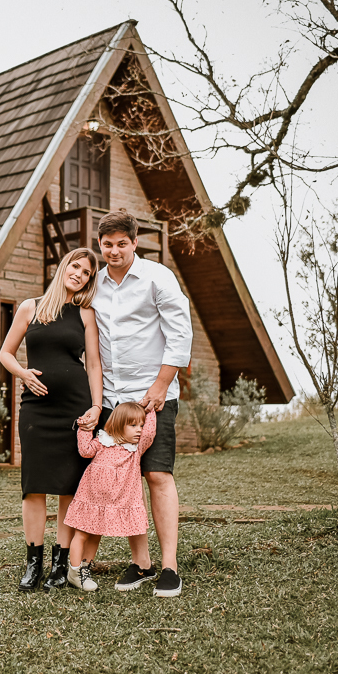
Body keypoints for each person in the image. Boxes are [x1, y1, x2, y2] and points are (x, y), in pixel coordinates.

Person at [92, 210, 192, 598]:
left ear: (135, 243)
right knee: (123, 480)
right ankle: (143, 564)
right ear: (100, 245)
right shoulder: (95, 285)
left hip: (153, 398)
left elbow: (180, 334)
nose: (114, 251)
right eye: (107, 245)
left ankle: (170, 567)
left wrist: (161, 385)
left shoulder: (158, 277)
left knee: (157, 475)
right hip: (112, 401)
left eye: (121, 244)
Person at [0, 248, 103, 592]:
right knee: (34, 486)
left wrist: (97, 406)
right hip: (36, 409)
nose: (79, 274)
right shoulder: (31, 307)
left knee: (67, 488)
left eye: (86, 272)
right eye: (76, 266)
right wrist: (23, 374)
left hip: (74, 408)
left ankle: (60, 564)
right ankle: (33, 563)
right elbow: (5, 353)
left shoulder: (85, 314)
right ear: (64, 267)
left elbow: (93, 365)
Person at [61, 403, 156, 591]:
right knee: (81, 534)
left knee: (96, 535)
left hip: (111, 502)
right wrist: (84, 428)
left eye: (141, 425)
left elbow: (150, 432)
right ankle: (74, 571)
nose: (139, 430)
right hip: (91, 497)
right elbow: (85, 450)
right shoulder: (103, 441)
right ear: (118, 424)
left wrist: (150, 409)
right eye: (133, 425)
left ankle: (85, 568)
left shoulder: (135, 450)